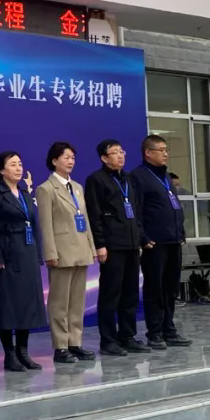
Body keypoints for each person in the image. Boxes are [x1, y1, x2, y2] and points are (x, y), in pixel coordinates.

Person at [84, 139, 148, 357]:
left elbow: (136, 212)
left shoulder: (128, 179)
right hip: (112, 246)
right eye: (115, 153)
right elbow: (95, 215)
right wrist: (100, 244)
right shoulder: (96, 180)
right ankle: (108, 340)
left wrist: (139, 238)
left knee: (131, 293)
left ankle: (127, 336)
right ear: (104, 158)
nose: (120, 156)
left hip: (131, 244)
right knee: (111, 294)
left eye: (122, 151)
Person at [34, 141, 97, 364]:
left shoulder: (77, 187)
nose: (70, 161)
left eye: (73, 158)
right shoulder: (46, 189)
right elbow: (46, 225)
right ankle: (60, 346)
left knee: (77, 301)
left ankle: (75, 342)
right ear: (54, 161)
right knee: (59, 302)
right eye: (66, 157)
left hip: (81, 249)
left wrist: (91, 246)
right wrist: (50, 252)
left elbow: (85, 220)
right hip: (61, 252)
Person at [0, 151, 46, 372]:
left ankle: (23, 351)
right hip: (8, 255)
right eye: (13, 164)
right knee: (8, 305)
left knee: (26, 304)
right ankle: (9, 355)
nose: (18, 168)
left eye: (20, 164)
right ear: (2, 170)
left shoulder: (25, 194)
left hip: (27, 253)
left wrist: (38, 254)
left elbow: (35, 226)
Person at [131, 135, 192, 349]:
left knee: (170, 288)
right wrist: (143, 237)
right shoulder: (138, 177)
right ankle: (155, 332)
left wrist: (181, 231)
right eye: (161, 150)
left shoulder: (165, 176)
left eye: (167, 150)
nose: (166, 154)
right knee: (155, 288)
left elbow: (174, 207)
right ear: (148, 153)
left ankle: (169, 329)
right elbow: (136, 211)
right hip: (154, 243)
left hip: (173, 240)